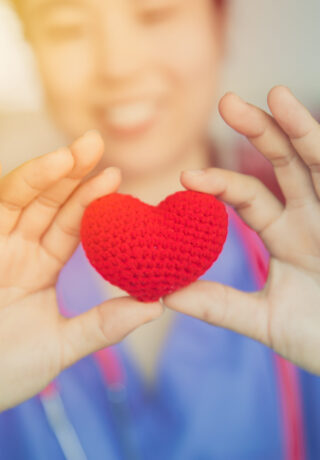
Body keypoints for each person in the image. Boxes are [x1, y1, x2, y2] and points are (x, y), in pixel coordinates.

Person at [0, 0, 319, 458]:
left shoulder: (306, 266)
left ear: (219, 24)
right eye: (68, 28)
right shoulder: (7, 278)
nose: (119, 66)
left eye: (155, 13)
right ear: (31, 50)